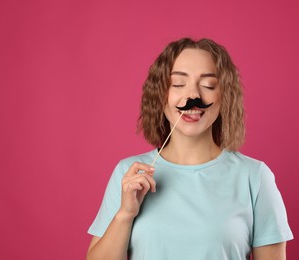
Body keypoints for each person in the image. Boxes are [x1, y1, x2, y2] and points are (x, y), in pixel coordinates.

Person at [86, 38, 293, 260]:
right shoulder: (130, 173)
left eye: (208, 85)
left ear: (225, 97)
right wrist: (125, 214)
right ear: (160, 94)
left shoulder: (254, 176)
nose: (193, 97)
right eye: (177, 84)